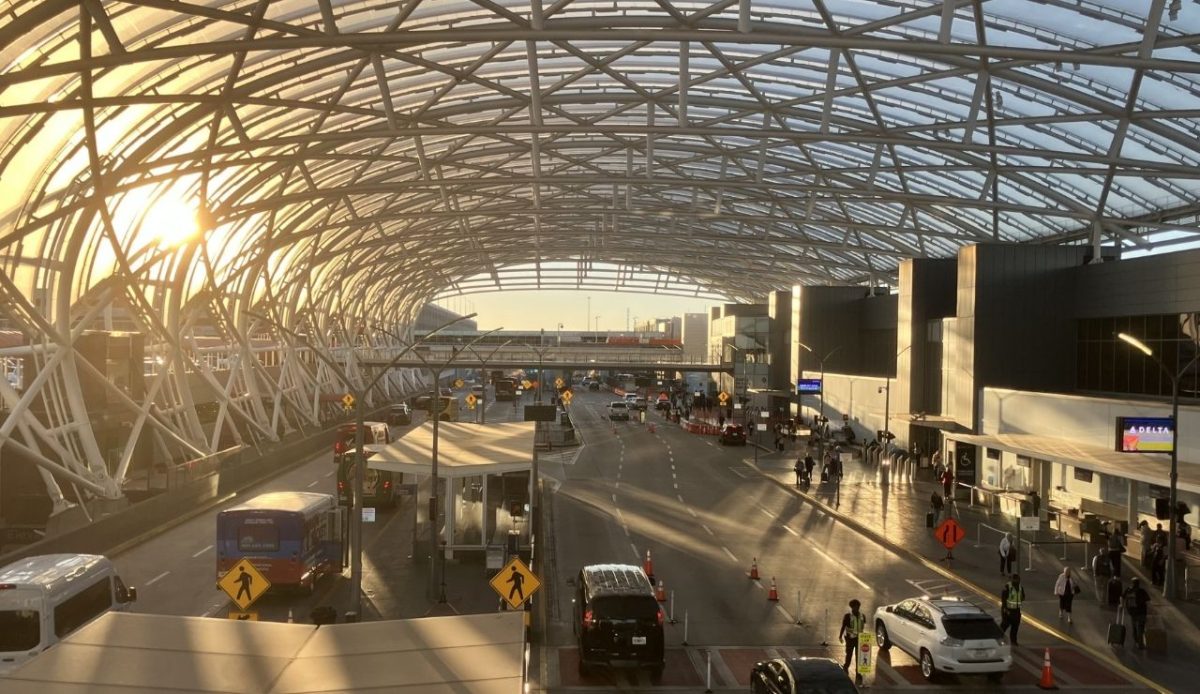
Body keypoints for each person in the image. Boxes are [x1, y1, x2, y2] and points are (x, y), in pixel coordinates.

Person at [838, 599, 866, 685]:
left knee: (859, 657)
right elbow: (843, 626)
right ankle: (846, 667)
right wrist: (840, 636)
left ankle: (858, 673)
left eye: (857, 607)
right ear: (852, 607)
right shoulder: (848, 616)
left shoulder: (862, 616)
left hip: (859, 639)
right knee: (849, 654)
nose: (856, 608)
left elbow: (862, 626)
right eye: (854, 607)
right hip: (850, 639)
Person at [1123, 578, 1151, 650]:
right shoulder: (1142, 591)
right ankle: (1140, 644)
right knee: (1140, 628)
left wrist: (1123, 605)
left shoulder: (1128, 590)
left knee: (1134, 627)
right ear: (1139, 584)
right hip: (1142, 612)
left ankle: (1136, 641)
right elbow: (1148, 601)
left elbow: (1122, 596)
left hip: (1132, 612)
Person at [1000, 573, 1026, 646]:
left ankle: (1013, 641)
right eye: (1016, 579)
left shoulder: (1020, 587)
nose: (1017, 581)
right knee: (1004, 626)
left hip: (1016, 610)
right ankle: (998, 639)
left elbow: (1023, 597)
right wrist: (1005, 610)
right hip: (1008, 610)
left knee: (1015, 627)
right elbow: (1003, 599)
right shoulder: (1008, 587)